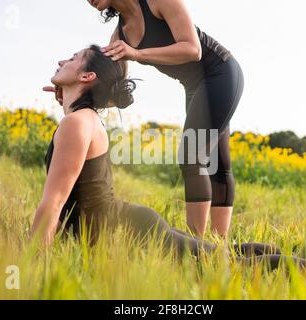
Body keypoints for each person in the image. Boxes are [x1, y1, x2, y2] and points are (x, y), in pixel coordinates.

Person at [31, 45, 306, 277]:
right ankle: (289, 256)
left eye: (73, 58)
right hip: (126, 228)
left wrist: (32, 266)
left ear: (87, 77)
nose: (62, 60)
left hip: (131, 234)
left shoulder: (77, 123)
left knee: (229, 267)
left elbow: (53, 204)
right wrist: (67, 96)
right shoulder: (81, 119)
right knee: (224, 257)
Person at [82, 0, 245, 238]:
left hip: (220, 73)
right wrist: (73, 94)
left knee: (192, 157)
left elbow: (192, 49)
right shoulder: (119, 36)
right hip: (194, 86)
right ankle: (218, 248)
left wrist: (137, 54)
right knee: (214, 163)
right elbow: (112, 85)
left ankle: (197, 248)